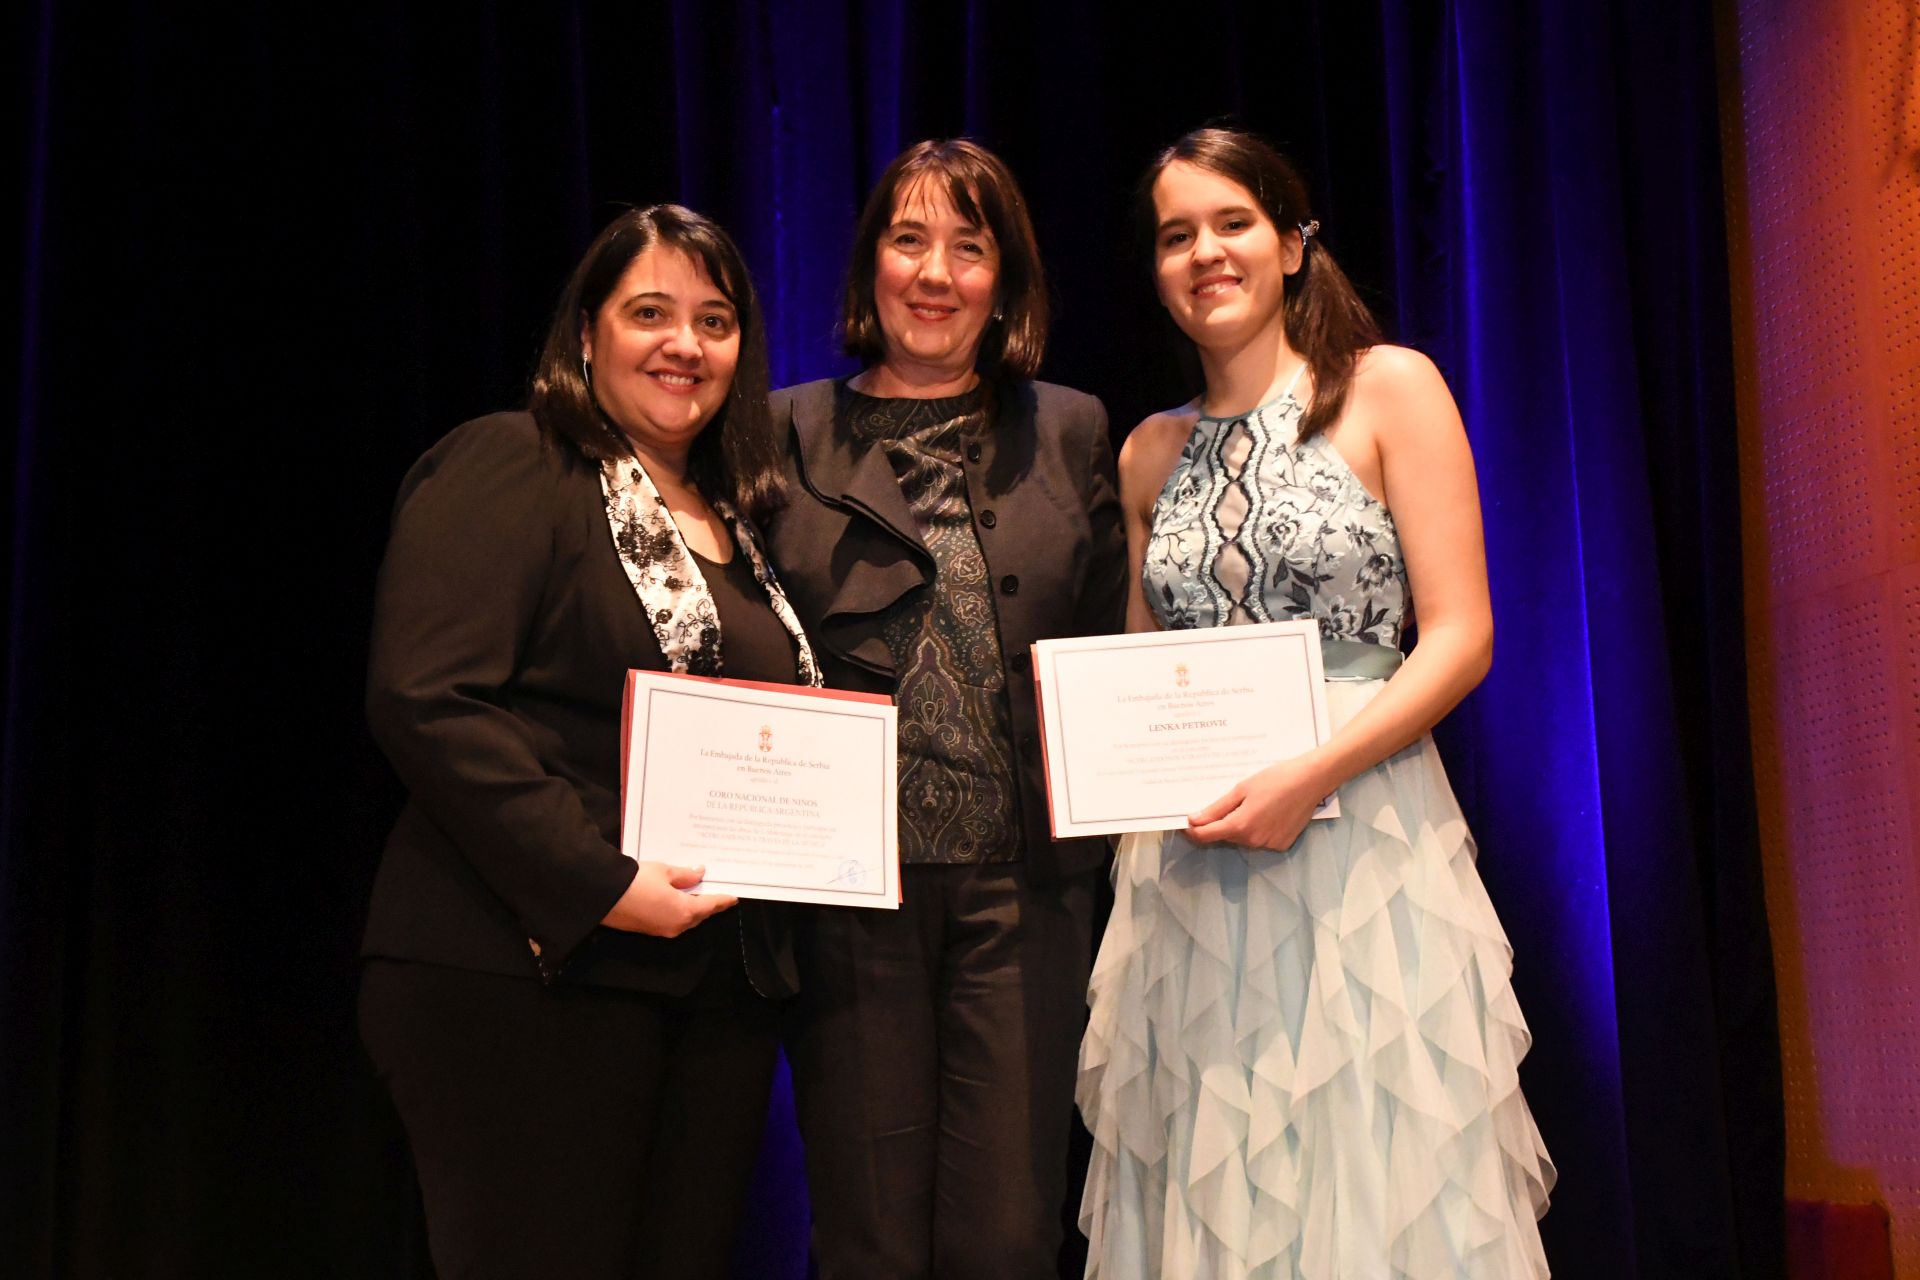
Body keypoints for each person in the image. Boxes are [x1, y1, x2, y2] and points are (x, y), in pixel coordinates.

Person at [1076, 128, 1555, 1278]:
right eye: (1176, 235)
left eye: (1233, 223)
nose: (1206, 252)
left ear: (1292, 243)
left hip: (1362, 836)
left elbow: (1461, 634)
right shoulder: (1147, 452)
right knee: (1216, 1163)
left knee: (1371, 1157)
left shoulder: (1389, 388)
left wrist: (1314, 772)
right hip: (1192, 865)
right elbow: (1143, 668)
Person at [357, 204, 821, 1279]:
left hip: (709, 990)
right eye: (649, 313)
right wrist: (600, 882)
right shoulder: (516, 461)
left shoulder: (736, 519)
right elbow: (428, 697)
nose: (684, 344)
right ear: (585, 333)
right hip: (525, 972)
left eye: (714, 321)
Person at [765, 139, 1128, 1278]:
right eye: (909, 239)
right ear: (869, 262)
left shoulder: (1071, 428)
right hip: (850, 898)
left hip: (1025, 895)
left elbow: (1110, 646)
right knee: (868, 1235)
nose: (935, 273)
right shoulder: (777, 431)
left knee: (1007, 1234)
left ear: (1004, 279)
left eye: (968, 248)